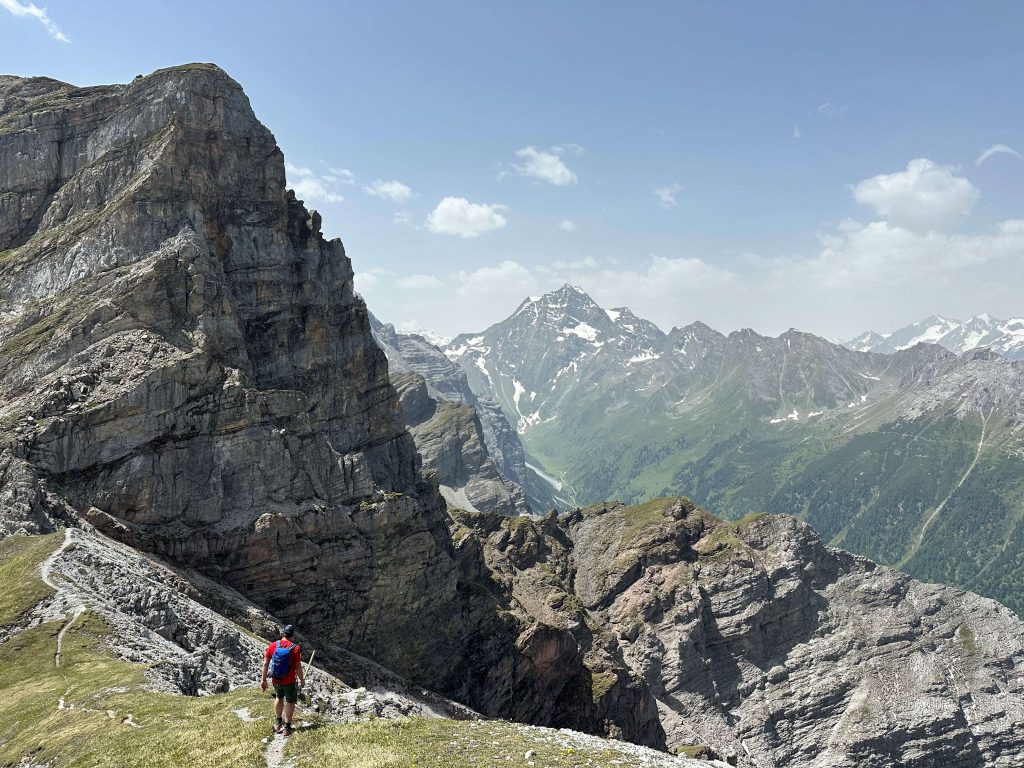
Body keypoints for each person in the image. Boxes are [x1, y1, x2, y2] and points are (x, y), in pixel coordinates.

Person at [260, 624, 305, 736]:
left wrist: (263, 680)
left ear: (283, 633)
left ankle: (278, 723)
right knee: (290, 701)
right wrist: (302, 679)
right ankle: (287, 727)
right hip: (289, 680)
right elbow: (298, 667)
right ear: (292, 635)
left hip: (276, 679)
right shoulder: (295, 648)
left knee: (279, 697)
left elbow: (265, 663)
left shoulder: (273, 645)